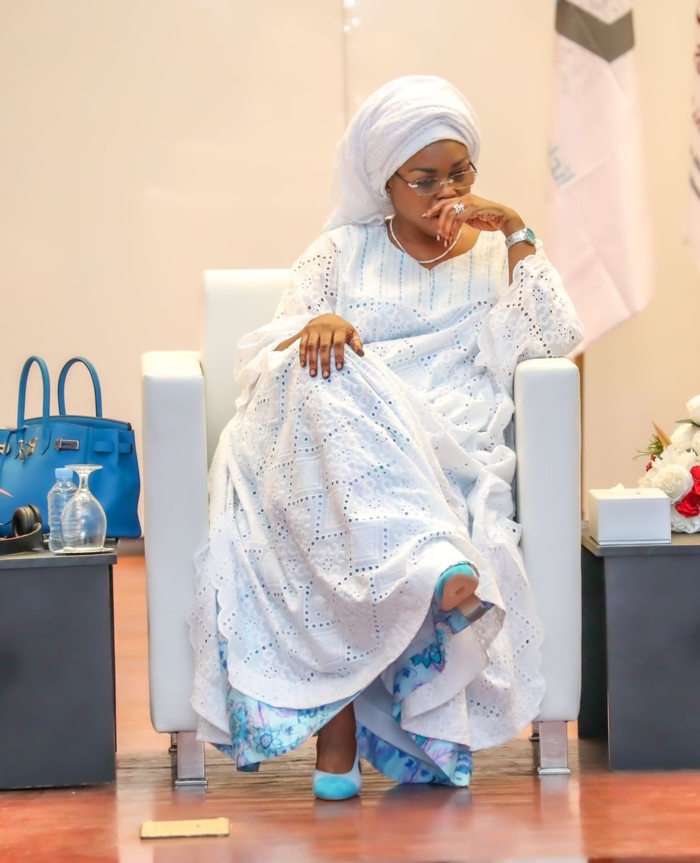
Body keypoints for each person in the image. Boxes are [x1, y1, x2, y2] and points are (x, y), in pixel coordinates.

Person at [188, 75, 584, 801]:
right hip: (348, 440)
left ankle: (337, 737)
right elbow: (268, 353)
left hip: (443, 439)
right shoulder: (339, 250)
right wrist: (319, 326)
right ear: (384, 180)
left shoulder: (497, 254)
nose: (444, 190)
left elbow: (554, 343)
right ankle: (429, 566)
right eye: (423, 177)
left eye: (460, 171)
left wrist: (519, 229)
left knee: (325, 470)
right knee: (317, 378)